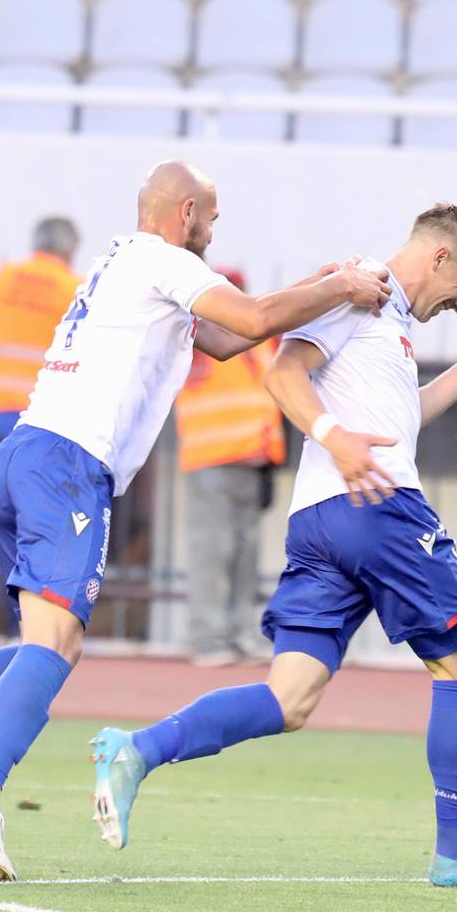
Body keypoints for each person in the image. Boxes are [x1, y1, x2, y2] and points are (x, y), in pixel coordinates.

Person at [0, 161, 392, 881]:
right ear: (186, 214)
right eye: (212, 218)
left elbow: (233, 339)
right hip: (68, 466)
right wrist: (342, 287)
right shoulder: (162, 259)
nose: (213, 230)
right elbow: (258, 320)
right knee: (55, 641)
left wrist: (319, 292)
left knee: (49, 645)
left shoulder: (126, 266)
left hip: (23, 453)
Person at [86, 204, 457, 889]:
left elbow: (396, 422)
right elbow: (282, 375)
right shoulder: (363, 289)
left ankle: (138, 751)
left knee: (290, 698)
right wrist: (334, 438)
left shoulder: (391, 322)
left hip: (321, 523)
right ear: (440, 257)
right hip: (378, 509)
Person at [0, 216, 84, 636]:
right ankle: (37, 628)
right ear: (69, 249)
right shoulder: (73, 286)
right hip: (41, 421)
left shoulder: (4, 278)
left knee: (6, 531)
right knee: (44, 530)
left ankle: (12, 625)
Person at [173, 266, 286, 666]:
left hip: (251, 458)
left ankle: (239, 635)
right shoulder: (200, 330)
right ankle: (208, 638)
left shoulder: (256, 338)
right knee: (213, 549)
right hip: (213, 455)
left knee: (243, 553)